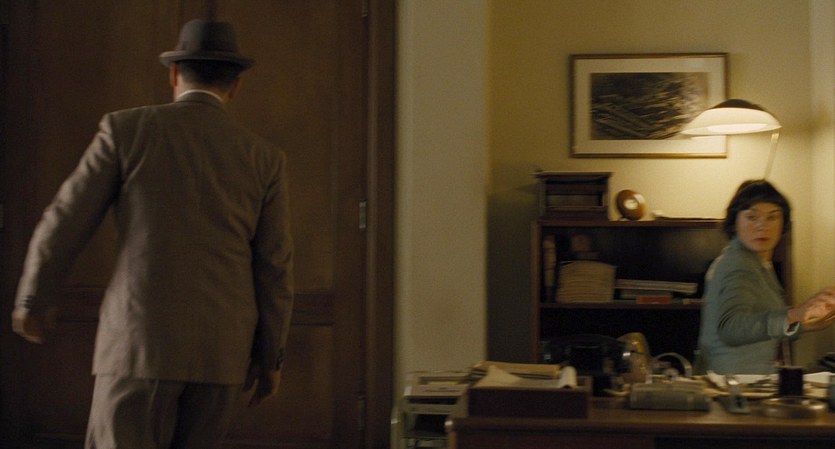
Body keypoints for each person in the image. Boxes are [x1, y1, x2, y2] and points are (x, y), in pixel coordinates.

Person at [11, 19, 293, 448]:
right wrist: (270, 356)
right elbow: (274, 266)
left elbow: (65, 219)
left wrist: (34, 297)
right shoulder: (265, 159)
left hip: (138, 346)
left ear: (174, 74)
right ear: (236, 86)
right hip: (220, 357)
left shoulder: (126, 131)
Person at [696, 180, 835, 374]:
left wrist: (803, 324)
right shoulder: (738, 264)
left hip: (747, 378)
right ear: (734, 222)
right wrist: (796, 314)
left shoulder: (757, 262)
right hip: (731, 381)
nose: (762, 226)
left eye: (772, 217)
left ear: (783, 223)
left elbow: (758, 327)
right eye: (752, 217)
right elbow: (732, 329)